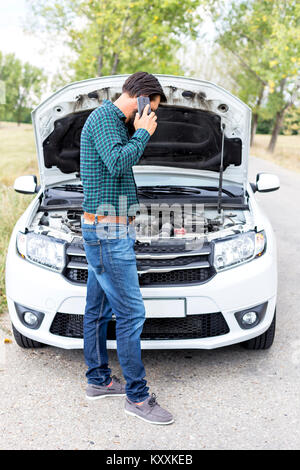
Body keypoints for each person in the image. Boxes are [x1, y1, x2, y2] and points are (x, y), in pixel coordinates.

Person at [79, 72, 174, 425]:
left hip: (108, 228)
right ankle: (136, 398)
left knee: (98, 310)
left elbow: (115, 170)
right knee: (132, 314)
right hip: (107, 232)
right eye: (153, 107)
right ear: (142, 98)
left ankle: (98, 380)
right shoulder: (105, 119)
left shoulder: (115, 123)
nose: (153, 115)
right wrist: (143, 133)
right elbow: (120, 161)